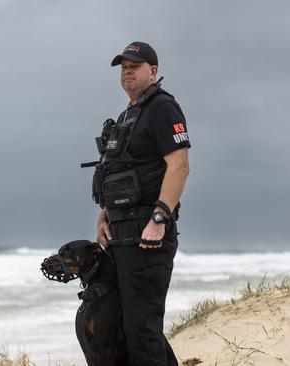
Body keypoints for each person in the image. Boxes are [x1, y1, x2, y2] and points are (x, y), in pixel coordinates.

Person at [91, 41, 191, 366]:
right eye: (123, 68)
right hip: (121, 233)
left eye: (134, 66)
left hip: (147, 235)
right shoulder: (128, 115)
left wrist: (159, 218)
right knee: (136, 325)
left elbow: (179, 165)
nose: (127, 72)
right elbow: (116, 170)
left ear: (153, 71)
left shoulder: (163, 108)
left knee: (141, 331)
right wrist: (104, 216)